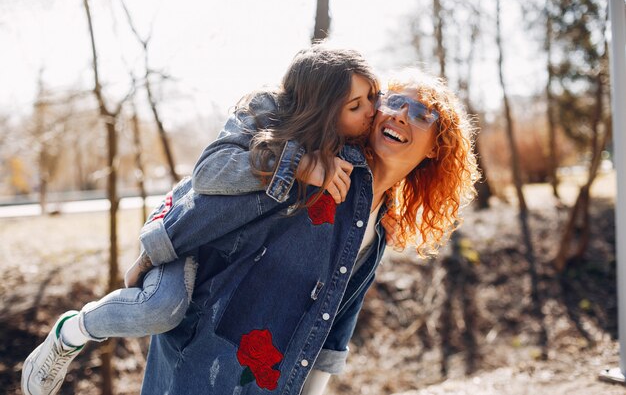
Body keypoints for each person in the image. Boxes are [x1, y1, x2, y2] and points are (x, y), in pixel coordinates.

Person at [20, 45, 379, 395]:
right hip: (188, 232)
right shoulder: (265, 111)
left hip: (227, 256)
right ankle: (72, 332)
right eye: (355, 105)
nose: (370, 112)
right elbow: (209, 172)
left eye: (372, 99)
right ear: (321, 106)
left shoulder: (345, 145)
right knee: (160, 309)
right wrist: (294, 165)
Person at [135, 68, 478, 394]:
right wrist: (153, 252)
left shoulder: (382, 224)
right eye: (394, 102)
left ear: (436, 146)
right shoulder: (321, 166)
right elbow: (216, 204)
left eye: (421, 114)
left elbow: (338, 323)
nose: (401, 115)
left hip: (270, 380)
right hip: (198, 351)